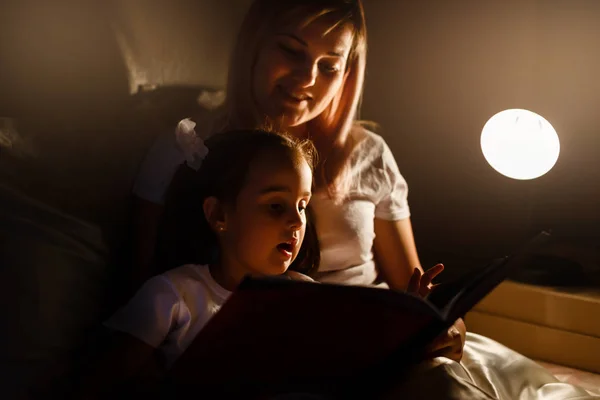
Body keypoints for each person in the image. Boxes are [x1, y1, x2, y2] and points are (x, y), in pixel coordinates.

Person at [131, 0, 466, 363]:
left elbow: (416, 289)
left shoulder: (369, 154)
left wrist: (447, 329)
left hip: (366, 345)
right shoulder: (188, 147)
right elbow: (135, 288)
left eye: (329, 66)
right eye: (291, 50)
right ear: (253, 46)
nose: (307, 78)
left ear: (347, 75)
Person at [76, 128, 318, 396]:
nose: (296, 222)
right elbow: (95, 383)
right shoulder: (174, 296)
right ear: (218, 215)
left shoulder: (307, 297)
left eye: (302, 205)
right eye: (275, 205)